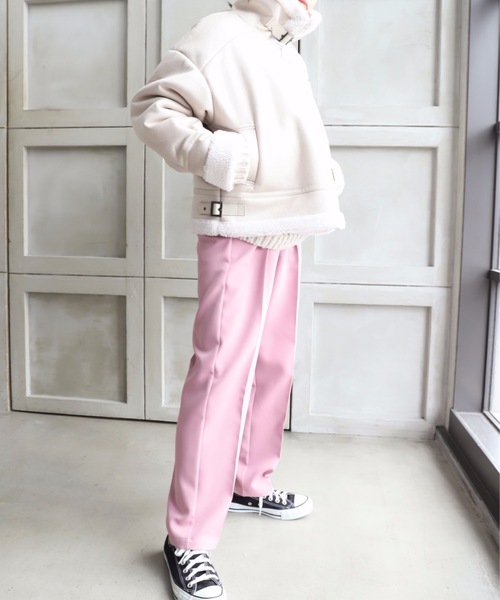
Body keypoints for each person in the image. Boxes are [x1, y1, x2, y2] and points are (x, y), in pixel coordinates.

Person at [131, 0, 345, 598]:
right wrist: (217, 156)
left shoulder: (283, 47)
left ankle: (249, 483)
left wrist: (321, 173)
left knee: (275, 361)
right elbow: (153, 108)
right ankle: (187, 538)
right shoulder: (219, 32)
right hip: (238, 222)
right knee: (221, 372)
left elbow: (285, 130)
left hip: (288, 222)